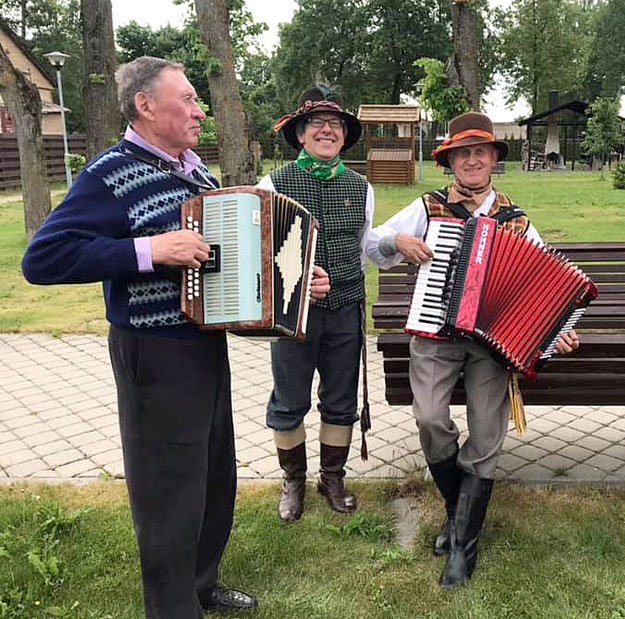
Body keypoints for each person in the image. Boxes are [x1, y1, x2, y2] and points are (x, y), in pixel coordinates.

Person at [20, 56, 289, 616]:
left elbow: (222, 260)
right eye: (188, 99)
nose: (199, 109)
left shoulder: (194, 171)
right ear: (146, 106)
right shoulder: (109, 173)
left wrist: (286, 282)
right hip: (154, 354)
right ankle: (172, 608)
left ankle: (201, 585)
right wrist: (148, 251)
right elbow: (42, 259)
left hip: (202, 348)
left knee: (213, 477)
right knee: (168, 492)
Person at [366, 111, 579, 588]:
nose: (472, 160)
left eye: (480, 151)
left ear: (493, 159)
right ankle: (456, 510)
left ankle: (462, 544)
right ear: (451, 161)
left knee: (487, 435)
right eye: (463, 153)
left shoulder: (515, 219)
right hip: (435, 334)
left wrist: (556, 330)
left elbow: (547, 284)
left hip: (490, 345)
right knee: (429, 420)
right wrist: (398, 239)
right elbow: (373, 245)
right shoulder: (428, 207)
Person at [259, 86, 383, 521]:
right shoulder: (273, 184)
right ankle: (293, 480)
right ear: (300, 134)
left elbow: (366, 246)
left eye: (336, 125)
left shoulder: (361, 187)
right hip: (293, 314)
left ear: (344, 137)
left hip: (347, 309)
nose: (327, 131)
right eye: (317, 124)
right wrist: (294, 276)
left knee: (340, 399)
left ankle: (332, 477)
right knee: (289, 400)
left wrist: (400, 243)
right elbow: (256, 251)